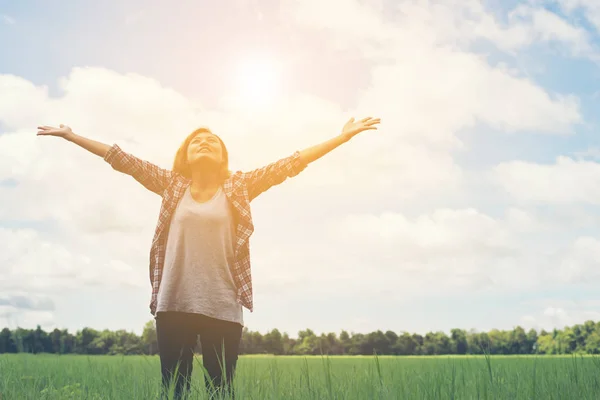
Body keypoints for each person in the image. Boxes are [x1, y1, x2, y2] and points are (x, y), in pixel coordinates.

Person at [36, 116, 380, 398]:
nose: (204, 143)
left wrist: (342, 137)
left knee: (220, 391)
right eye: (196, 142)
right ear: (185, 155)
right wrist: (71, 136)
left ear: (222, 157)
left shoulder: (240, 187)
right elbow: (121, 159)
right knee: (173, 390)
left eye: (212, 142)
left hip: (222, 305)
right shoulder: (171, 185)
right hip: (174, 303)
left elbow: (291, 164)